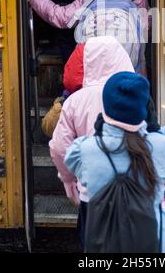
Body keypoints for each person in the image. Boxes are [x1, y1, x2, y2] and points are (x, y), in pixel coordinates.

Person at [64, 71, 165, 253]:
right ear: (144, 108)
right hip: (153, 243)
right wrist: (153, 126)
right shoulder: (160, 147)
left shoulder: (84, 150)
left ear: (106, 106)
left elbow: (70, 160)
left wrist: (102, 131)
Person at [49, 36, 135, 204]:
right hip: (130, 190)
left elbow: (60, 148)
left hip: (91, 190)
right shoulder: (135, 96)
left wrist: (69, 179)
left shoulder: (75, 101)